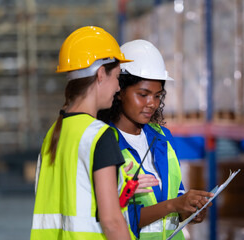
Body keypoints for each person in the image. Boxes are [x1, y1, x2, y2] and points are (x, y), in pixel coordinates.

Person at [30, 27, 157, 240]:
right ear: (100, 74)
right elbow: (111, 222)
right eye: (117, 77)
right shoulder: (99, 135)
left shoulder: (54, 133)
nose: (118, 88)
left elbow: (73, 198)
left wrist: (117, 185)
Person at [98, 39, 213, 240]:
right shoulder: (104, 142)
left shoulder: (162, 138)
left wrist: (190, 210)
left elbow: (176, 196)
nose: (152, 104)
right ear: (119, 92)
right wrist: (174, 205)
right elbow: (111, 218)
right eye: (143, 95)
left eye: (158, 95)